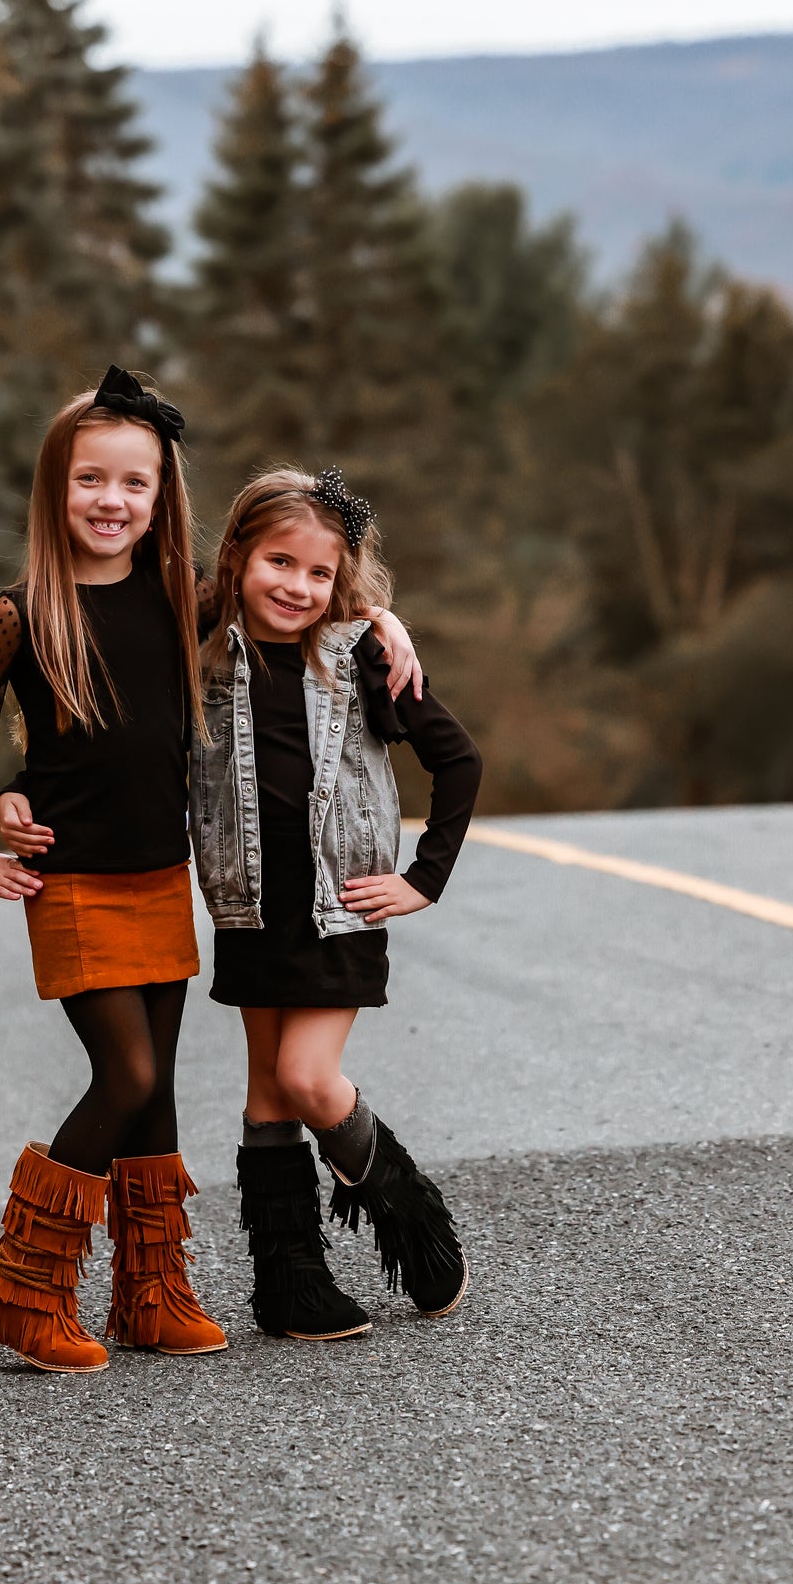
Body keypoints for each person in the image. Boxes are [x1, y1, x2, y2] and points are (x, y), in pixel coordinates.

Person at [0, 369, 419, 1374]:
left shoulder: (180, 600)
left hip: (160, 878)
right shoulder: (18, 616)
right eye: (89, 479)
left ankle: (152, 1293)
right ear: (55, 489)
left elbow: (296, 585)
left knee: (157, 1099)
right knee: (126, 1072)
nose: (111, 500)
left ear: (160, 498)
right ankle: (26, 1290)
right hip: (73, 886)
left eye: (133, 483)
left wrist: (380, 618)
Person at [194, 466, 483, 1341]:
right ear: (239, 557)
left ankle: (413, 1219)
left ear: (342, 581)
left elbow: (457, 761)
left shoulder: (359, 652)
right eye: (280, 563)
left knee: (306, 1078)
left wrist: (421, 877)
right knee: (265, 1094)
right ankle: (289, 1286)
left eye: (320, 573)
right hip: (248, 910)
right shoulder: (202, 646)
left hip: (339, 909)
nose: (298, 587)